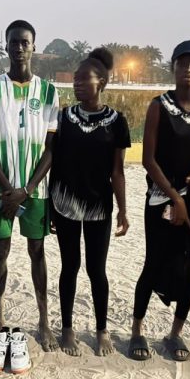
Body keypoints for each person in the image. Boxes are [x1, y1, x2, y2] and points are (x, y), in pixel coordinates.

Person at [0, 20, 60, 359]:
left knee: (37, 252)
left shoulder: (49, 92)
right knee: (0, 253)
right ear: (6, 46)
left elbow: (51, 149)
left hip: (35, 191)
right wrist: (10, 189)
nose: (20, 47)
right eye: (14, 42)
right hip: (0, 189)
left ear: (33, 46)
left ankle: (43, 320)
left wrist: (27, 188)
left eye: (25, 42)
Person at [128, 41, 190, 362]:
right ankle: (137, 330)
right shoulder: (159, 106)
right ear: (173, 67)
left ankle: (175, 333)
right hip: (162, 199)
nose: (189, 69)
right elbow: (148, 159)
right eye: (182, 63)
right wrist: (175, 198)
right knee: (154, 262)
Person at [49, 48, 130, 357]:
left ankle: (101, 329)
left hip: (99, 207)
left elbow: (117, 171)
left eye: (85, 79)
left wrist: (123, 209)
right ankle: (67, 328)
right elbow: (54, 162)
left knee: (97, 270)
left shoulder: (116, 121)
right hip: (65, 202)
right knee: (70, 266)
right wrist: (50, 206)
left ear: (102, 83)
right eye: (76, 78)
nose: (78, 83)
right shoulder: (64, 118)